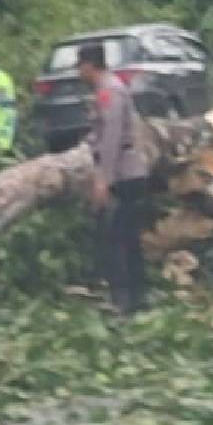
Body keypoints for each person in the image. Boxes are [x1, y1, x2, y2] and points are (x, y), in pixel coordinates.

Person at [77, 44, 151, 315]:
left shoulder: (110, 91)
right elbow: (99, 133)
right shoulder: (107, 90)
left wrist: (102, 180)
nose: (78, 72)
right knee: (126, 237)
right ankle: (136, 296)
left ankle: (125, 299)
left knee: (119, 237)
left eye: (80, 66)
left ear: (89, 65)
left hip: (124, 173)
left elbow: (111, 138)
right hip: (122, 171)